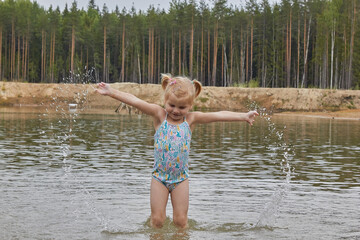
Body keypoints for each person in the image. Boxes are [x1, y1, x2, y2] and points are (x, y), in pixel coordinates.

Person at [95, 74, 259, 229]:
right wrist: (111, 92)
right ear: (165, 100)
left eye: (182, 107)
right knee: (157, 220)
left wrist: (243, 116)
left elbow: (218, 115)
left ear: (190, 105)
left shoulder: (191, 119)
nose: (175, 110)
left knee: (181, 221)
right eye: (171, 105)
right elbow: (135, 101)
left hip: (180, 179)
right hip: (159, 178)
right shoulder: (159, 115)